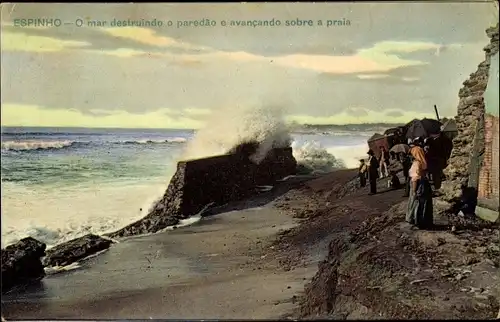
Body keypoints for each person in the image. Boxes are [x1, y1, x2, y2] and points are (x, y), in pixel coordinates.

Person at [406, 144, 433, 229]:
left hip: (418, 185)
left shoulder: (416, 163)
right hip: (425, 185)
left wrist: (414, 191)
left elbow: (415, 179)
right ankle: (425, 222)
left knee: (417, 204)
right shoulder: (423, 162)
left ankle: (416, 221)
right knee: (424, 204)